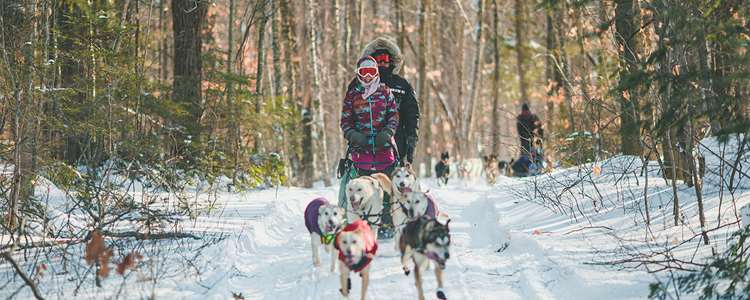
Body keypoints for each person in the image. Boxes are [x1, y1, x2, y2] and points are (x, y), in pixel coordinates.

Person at [339, 56, 399, 238]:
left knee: (386, 189)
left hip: (384, 150)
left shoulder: (385, 92)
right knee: (362, 191)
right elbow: (345, 121)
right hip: (361, 152)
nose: (367, 77)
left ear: (376, 73)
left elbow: (393, 116)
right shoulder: (353, 94)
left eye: (371, 72)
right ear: (358, 74)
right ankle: (361, 225)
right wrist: (354, 136)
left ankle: (387, 224)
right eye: (363, 73)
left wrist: (387, 133)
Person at [349, 37, 419, 165]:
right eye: (377, 60)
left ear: (391, 61)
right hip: (364, 146)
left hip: (396, 144)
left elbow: (412, 115)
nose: (381, 63)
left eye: (385, 59)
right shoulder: (357, 85)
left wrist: (411, 139)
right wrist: (353, 135)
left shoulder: (402, 85)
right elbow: (348, 113)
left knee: (393, 182)